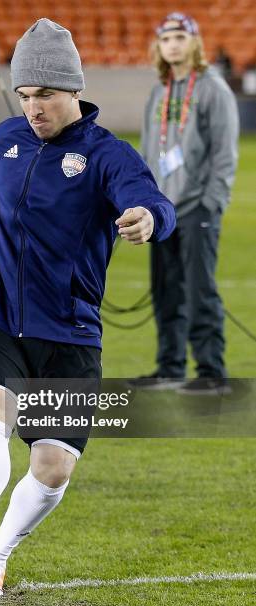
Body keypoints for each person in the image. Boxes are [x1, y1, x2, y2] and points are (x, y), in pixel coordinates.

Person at [0, 18, 176, 596]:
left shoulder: (105, 154)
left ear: (74, 91)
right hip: (0, 322)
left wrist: (149, 219)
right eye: (24, 95)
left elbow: (150, 198)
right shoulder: (5, 142)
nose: (33, 106)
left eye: (45, 94)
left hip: (70, 333)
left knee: (53, 467)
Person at [132, 13, 239, 394]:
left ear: (194, 43)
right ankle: (169, 366)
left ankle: (212, 371)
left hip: (197, 208)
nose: (173, 44)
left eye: (180, 37)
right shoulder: (159, 91)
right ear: (158, 46)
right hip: (163, 210)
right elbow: (148, 152)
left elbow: (225, 154)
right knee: (165, 291)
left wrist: (212, 203)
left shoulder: (213, 88)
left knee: (199, 290)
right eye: (166, 38)